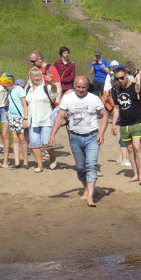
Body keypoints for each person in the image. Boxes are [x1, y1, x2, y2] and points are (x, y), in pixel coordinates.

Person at [50, 76, 108, 207]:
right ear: (74, 86)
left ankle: (90, 197)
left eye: (83, 87)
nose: (80, 90)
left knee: (91, 166)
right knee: (81, 168)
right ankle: (86, 188)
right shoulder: (68, 98)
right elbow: (59, 117)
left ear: (87, 87)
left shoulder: (94, 99)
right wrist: (52, 135)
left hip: (92, 136)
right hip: (75, 137)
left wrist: (102, 133)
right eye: (78, 87)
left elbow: (104, 115)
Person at [110, 63, 141, 185]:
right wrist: (113, 124)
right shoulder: (116, 90)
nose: (120, 80)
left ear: (127, 75)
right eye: (117, 78)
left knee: (137, 147)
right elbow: (116, 108)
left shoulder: (137, 88)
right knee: (129, 149)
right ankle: (135, 174)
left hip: (137, 122)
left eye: (121, 77)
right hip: (124, 124)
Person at [26, 66, 58, 172]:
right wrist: (25, 118)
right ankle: (39, 165)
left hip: (46, 119)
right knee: (34, 143)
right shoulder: (28, 90)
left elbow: (54, 92)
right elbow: (25, 104)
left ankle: (52, 157)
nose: (37, 78)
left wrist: (52, 83)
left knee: (46, 142)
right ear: (31, 77)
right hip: (33, 120)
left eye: (39, 76)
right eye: (35, 76)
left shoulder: (46, 88)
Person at [3, 73, 29, 169]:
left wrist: (25, 118)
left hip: (20, 117)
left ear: (11, 82)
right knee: (15, 139)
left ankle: (25, 161)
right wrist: (8, 112)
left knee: (22, 138)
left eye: (6, 85)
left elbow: (24, 105)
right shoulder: (9, 91)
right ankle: (17, 162)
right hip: (12, 117)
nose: (5, 87)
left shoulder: (19, 90)